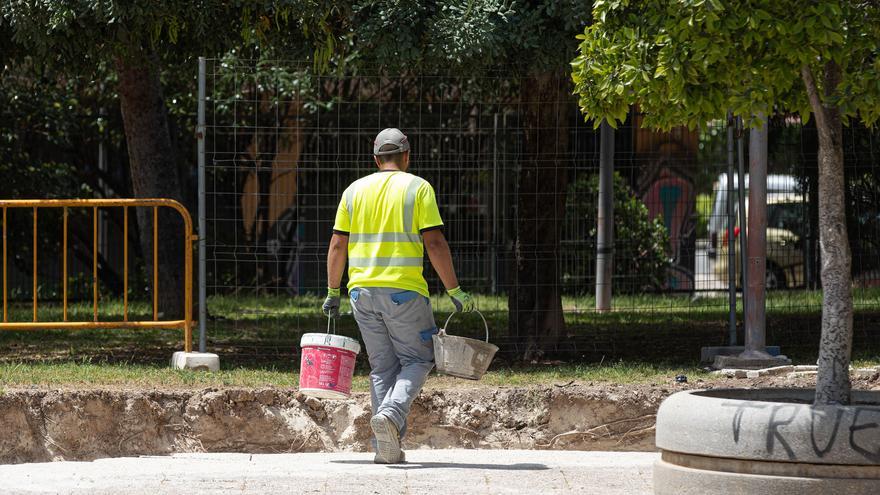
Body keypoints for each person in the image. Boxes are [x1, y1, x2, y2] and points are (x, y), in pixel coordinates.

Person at [322, 128, 474, 464]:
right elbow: (434, 242)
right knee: (420, 359)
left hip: (361, 293)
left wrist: (333, 290)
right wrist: (454, 289)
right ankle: (390, 414)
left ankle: (385, 449)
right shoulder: (418, 188)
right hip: (404, 293)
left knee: (382, 368)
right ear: (407, 156)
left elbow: (337, 245)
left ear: (376, 159)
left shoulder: (353, 191)